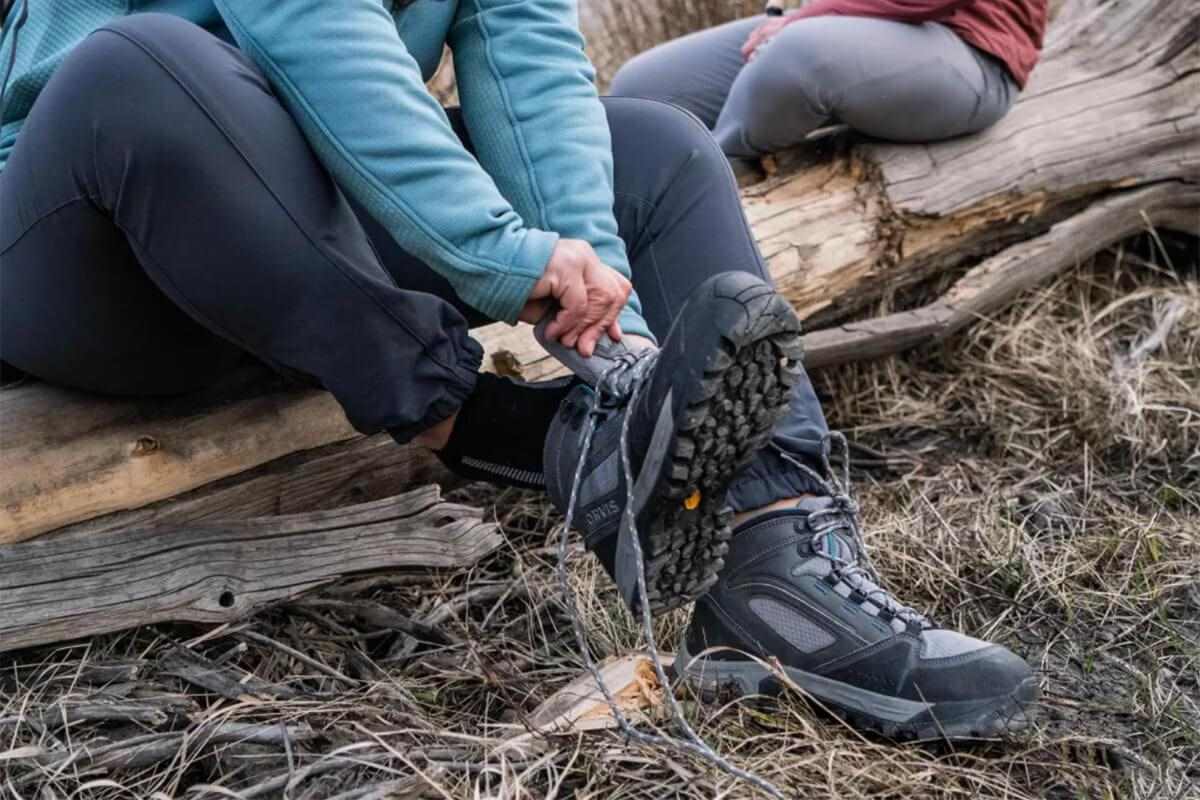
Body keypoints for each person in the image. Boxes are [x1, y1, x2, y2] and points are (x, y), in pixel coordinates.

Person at [0, 0, 1035, 740]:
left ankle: (778, 574)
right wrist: (499, 253)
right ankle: (508, 430)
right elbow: (305, 17)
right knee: (142, 65)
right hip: (93, 240)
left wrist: (602, 316)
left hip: (306, 232)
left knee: (661, 151)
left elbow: (523, 44)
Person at [610, 0, 1047, 159]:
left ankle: (707, 192)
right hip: (852, 23)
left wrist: (808, 17)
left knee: (796, 58)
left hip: (972, 53)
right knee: (642, 90)